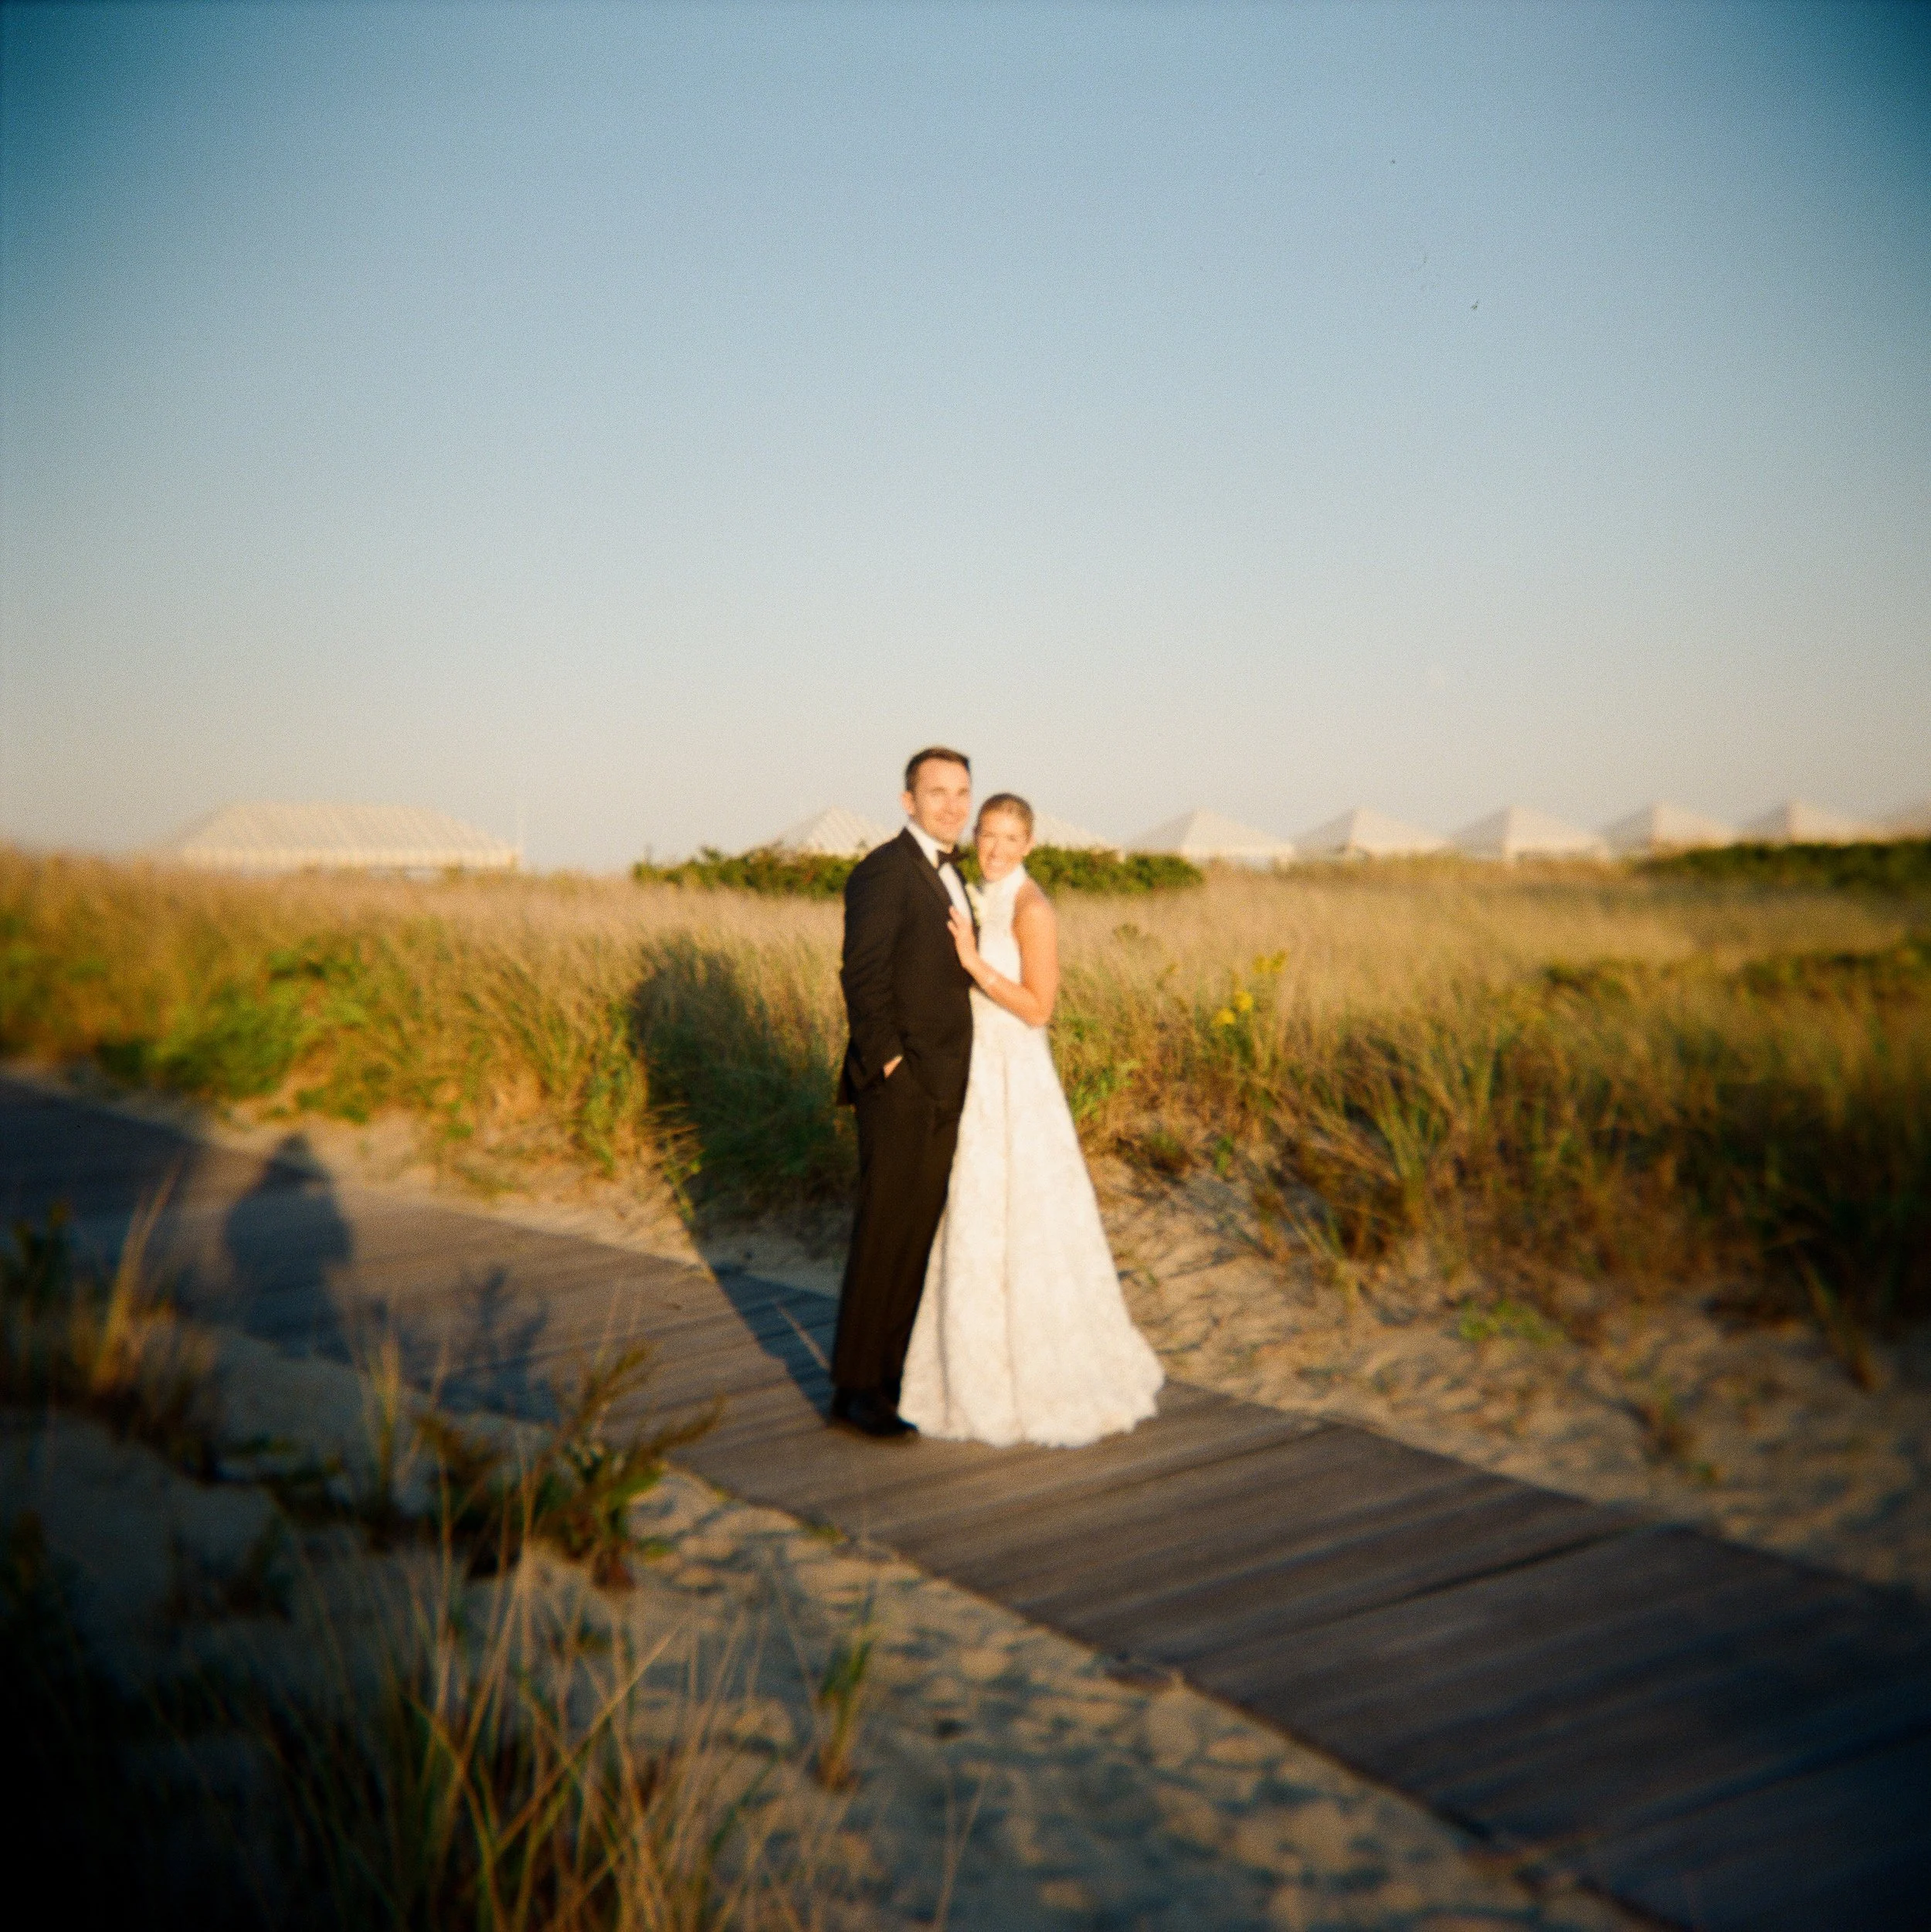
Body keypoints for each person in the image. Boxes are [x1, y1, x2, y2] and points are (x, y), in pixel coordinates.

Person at [899, 793, 1164, 1447]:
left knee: (1026, 1215)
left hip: (1015, 1073)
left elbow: (1039, 1007)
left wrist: (973, 964)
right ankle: (976, 1370)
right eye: (988, 835)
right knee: (977, 1213)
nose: (995, 848)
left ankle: (1041, 1373)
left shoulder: (1032, 908)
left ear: (1029, 844)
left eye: (1010, 838)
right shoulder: (981, 894)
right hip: (977, 1068)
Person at [829, 747, 978, 1438]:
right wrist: (891, 1066)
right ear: (907, 799)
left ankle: (889, 1378)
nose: (951, 804)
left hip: (946, 1083)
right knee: (885, 1232)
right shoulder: (884, 871)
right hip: (903, 1086)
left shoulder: (950, 874)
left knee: (916, 1234)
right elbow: (862, 976)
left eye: (961, 792)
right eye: (936, 791)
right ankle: (857, 1389)